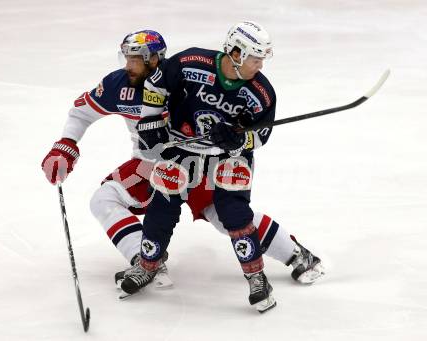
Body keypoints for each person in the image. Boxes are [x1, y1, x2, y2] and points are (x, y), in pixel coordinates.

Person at [41, 28, 323, 298]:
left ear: (156, 60)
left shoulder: (181, 82)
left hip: (201, 163)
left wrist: (236, 135)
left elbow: (232, 112)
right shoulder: (119, 85)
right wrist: (65, 145)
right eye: (126, 58)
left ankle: (294, 253)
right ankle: (146, 258)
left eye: (136, 60)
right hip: (150, 165)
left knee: (226, 217)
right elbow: (81, 111)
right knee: (104, 199)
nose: (128, 66)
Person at [120, 21, 323, 313]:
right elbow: (155, 85)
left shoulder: (261, 92)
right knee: (162, 204)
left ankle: (257, 278)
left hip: (229, 156)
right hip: (181, 145)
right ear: (237, 53)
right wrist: (151, 121)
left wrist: (238, 141)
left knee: (235, 213)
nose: (260, 66)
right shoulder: (189, 62)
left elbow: (262, 136)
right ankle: (148, 264)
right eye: (256, 59)